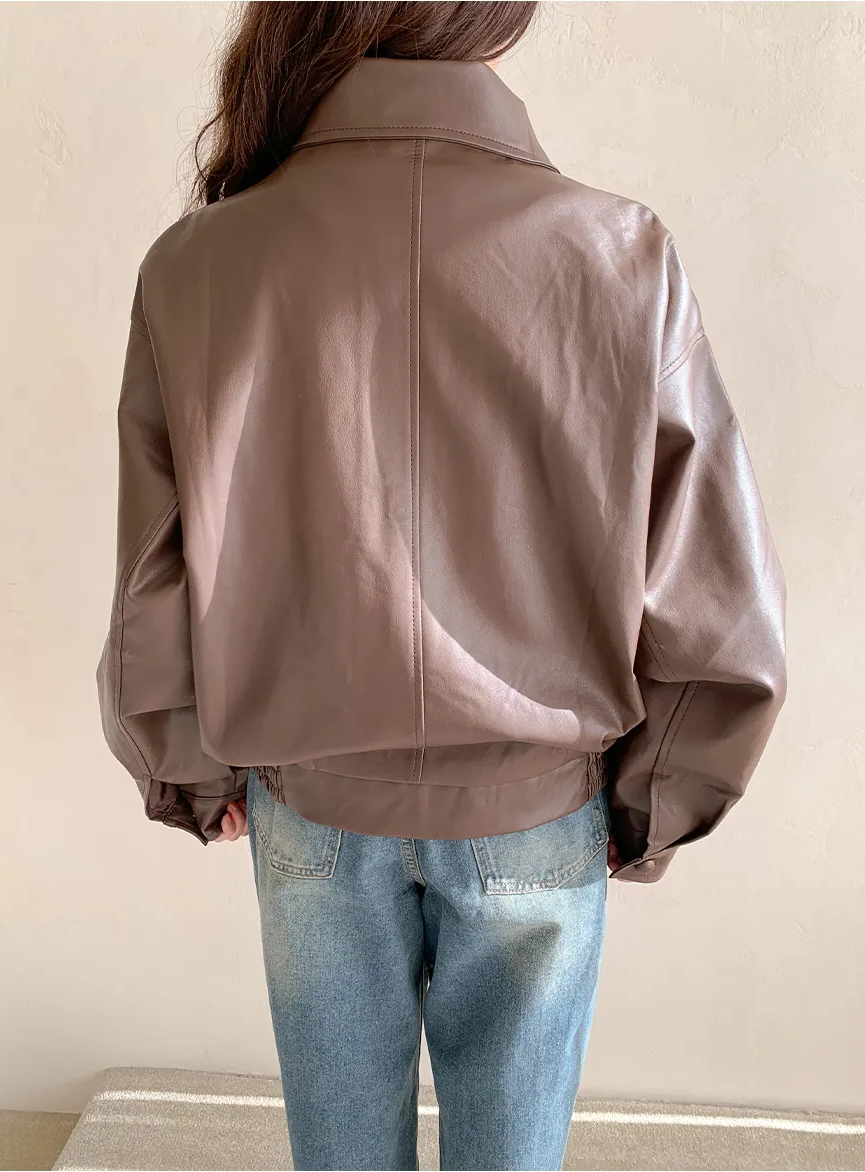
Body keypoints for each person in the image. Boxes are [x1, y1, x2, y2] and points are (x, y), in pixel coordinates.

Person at [96, 3, 787, 1169]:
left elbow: (151, 575)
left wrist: (187, 766)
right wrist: (651, 801)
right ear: (493, 24)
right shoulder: (622, 252)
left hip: (309, 806)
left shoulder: (197, 261)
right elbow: (716, 595)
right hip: (536, 812)